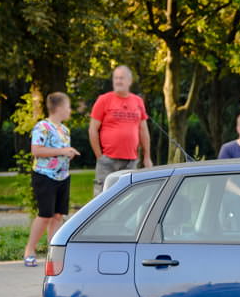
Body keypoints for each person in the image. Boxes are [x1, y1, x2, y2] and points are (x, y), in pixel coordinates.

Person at [23, 92, 80, 267]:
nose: (70, 110)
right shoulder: (43, 127)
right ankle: (29, 250)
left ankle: (52, 253)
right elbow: (37, 151)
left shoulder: (65, 130)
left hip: (63, 176)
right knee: (45, 215)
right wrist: (63, 151)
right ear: (59, 108)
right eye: (68, 106)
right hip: (44, 176)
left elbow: (59, 151)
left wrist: (68, 154)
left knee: (58, 215)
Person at [88, 65, 153, 196]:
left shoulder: (138, 101)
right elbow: (92, 130)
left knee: (128, 198)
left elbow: (143, 131)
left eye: (121, 78)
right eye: (116, 78)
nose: (118, 81)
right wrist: (99, 157)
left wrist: (147, 157)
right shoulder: (104, 100)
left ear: (130, 81)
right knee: (102, 197)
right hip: (108, 160)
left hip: (131, 161)